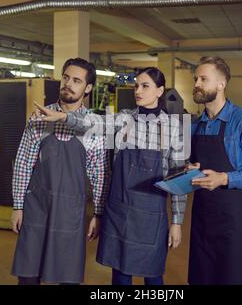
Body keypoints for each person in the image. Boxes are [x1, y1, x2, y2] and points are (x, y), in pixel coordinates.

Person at [34, 67, 188, 285]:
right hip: (119, 211)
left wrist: (177, 222)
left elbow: (178, 178)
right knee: (120, 275)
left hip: (151, 217)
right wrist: (64, 116)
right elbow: (94, 123)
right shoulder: (124, 119)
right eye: (136, 85)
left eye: (145, 86)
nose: (138, 91)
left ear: (160, 91)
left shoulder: (175, 127)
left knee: (153, 276)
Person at [10, 58, 110, 285]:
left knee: (68, 276)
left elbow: (99, 173)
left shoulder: (93, 124)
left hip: (71, 213)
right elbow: (23, 163)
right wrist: (17, 206)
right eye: (66, 77)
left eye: (77, 80)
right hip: (37, 208)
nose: (68, 84)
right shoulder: (39, 117)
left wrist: (98, 213)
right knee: (28, 275)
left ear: (88, 88)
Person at [187, 56, 242, 285]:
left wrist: (224, 178)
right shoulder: (196, 125)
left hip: (234, 220)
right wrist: (190, 169)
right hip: (203, 217)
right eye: (196, 79)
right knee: (201, 277)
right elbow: (195, 164)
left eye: (204, 79)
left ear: (221, 84)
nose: (197, 83)